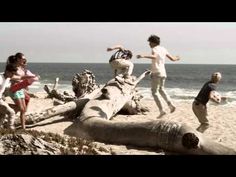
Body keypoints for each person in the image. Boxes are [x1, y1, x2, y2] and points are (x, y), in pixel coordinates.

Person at [136, 34, 180, 118]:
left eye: (150, 42)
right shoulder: (163, 49)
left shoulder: (154, 49)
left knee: (154, 92)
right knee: (161, 89)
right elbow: (173, 59)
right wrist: (177, 58)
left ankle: (162, 111)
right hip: (163, 73)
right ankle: (170, 105)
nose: (149, 44)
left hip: (156, 73)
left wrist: (143, 56)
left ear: (153, 42)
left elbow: (154, 56)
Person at [0, 64, 18, 130]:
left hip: (1, 99)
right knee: (11, 112)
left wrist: (2, 95)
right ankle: (10, 129)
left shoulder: (7, 78)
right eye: (12, 73)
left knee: (2, 115)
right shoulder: (0, 78)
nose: (12, 75)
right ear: (7, 71)